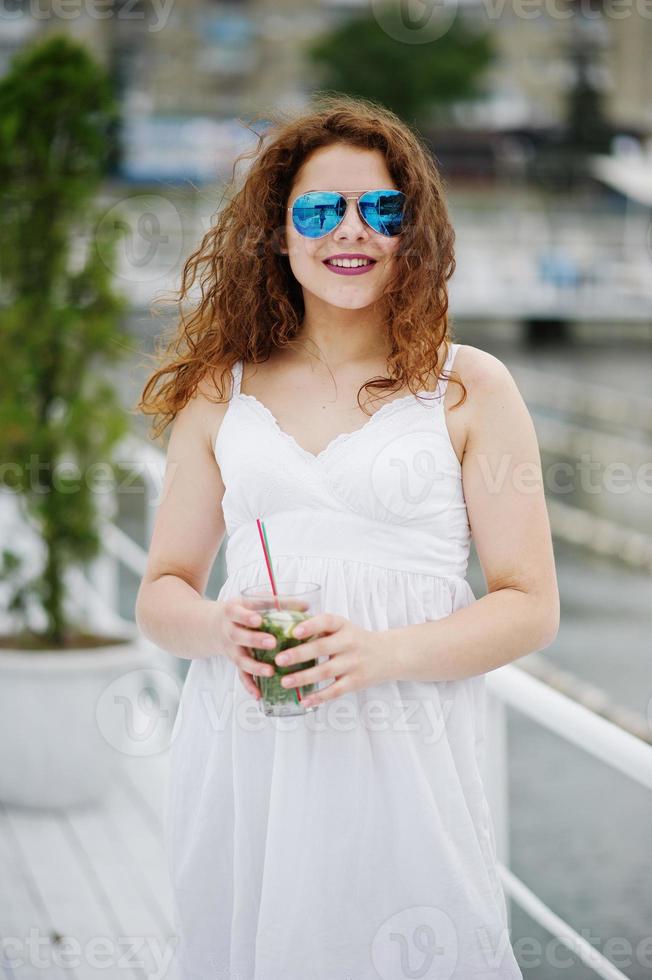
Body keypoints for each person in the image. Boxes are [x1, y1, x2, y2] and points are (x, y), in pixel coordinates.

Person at [136, 95, 559, 980]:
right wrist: (218, 629)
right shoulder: (223, 391)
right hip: (249, 753)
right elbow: (163, 589)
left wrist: (379, 654)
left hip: (409, 755)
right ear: (279, 234)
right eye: (321, 210)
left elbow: (529, 606)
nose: (351, 231)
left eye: (383, 209)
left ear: (416, 231)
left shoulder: (469, 387)